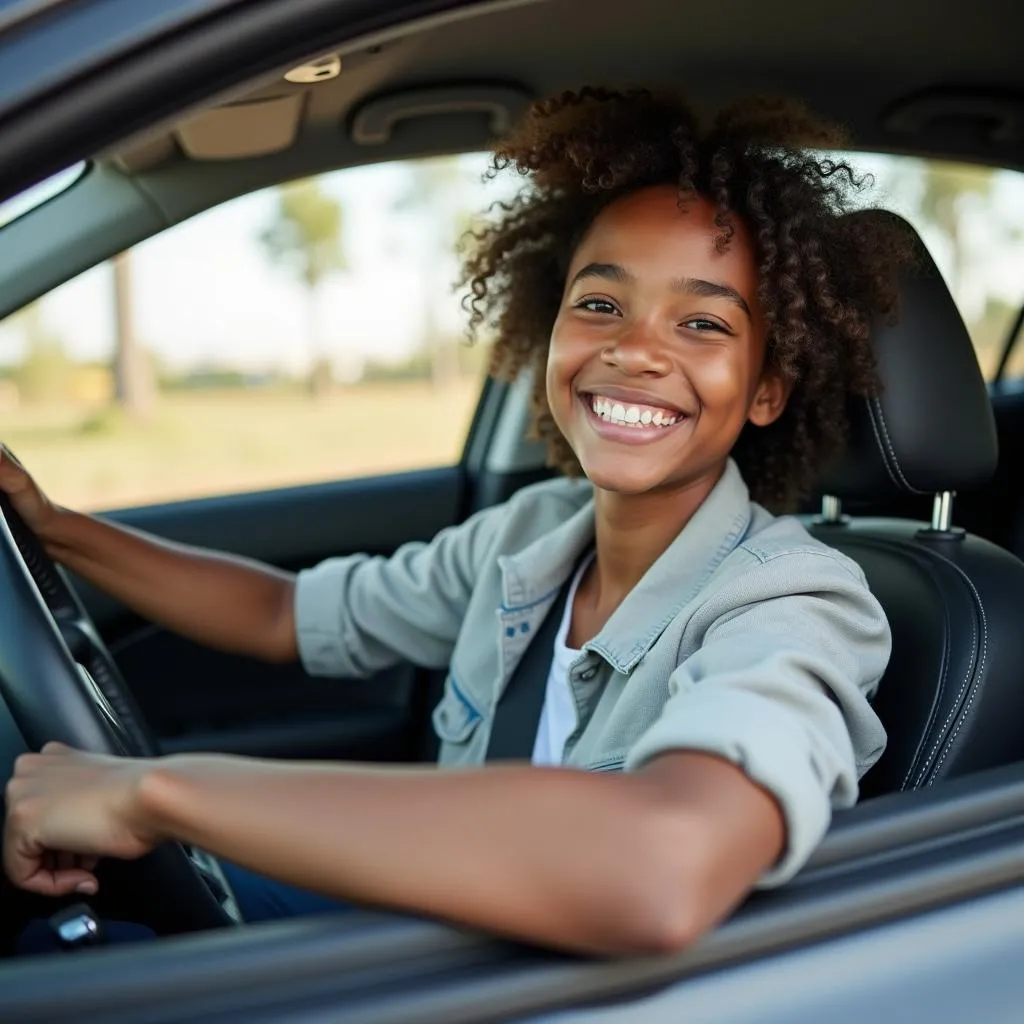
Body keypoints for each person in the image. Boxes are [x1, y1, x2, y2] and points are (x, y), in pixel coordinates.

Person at [1, 88, 911, 956]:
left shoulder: (798, 603)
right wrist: (53, 526)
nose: (634, 349)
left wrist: (156, 794)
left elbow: (659, 866)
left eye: (703, 325)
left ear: (766, 390)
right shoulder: (530, 537)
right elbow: (288, 615)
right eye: (600, 304)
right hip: (441, 930)